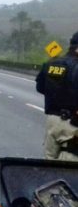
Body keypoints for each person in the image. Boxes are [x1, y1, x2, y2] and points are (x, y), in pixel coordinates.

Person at [36, 31, 78, 161]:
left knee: (50, 165)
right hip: (73, 125)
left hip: (53, 121)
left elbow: (40, 88)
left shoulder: (51, 64)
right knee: (69, 166)